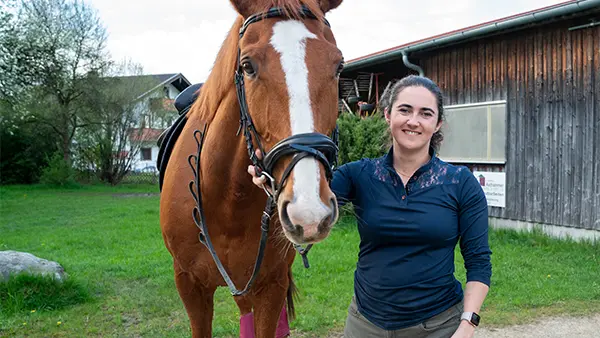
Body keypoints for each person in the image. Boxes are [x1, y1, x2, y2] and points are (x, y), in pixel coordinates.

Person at [248, 75, 492, 338]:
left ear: (437, 123)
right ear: (388, 115)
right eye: (405, 110)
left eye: (426, 113)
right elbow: (308, 205)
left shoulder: (461, 183)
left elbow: (478, 261)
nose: (413, 121)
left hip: (437, 326)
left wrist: (467, 325)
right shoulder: (360, 175)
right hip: (365, 325)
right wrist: (271, 180)